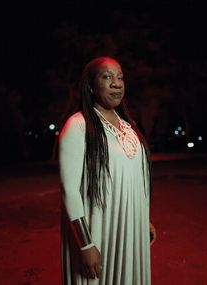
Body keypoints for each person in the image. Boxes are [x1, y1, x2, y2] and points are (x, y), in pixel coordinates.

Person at [59, 56, 156, 285]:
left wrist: (143, 220)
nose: (116, 83)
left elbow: (134, 179)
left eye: (120, 77)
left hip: (129, 231)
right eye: (107, 77)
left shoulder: (128, 127)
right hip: (97, 234)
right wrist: (86, 244)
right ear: (91, 85)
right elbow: (69, 190)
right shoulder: (78, 125)